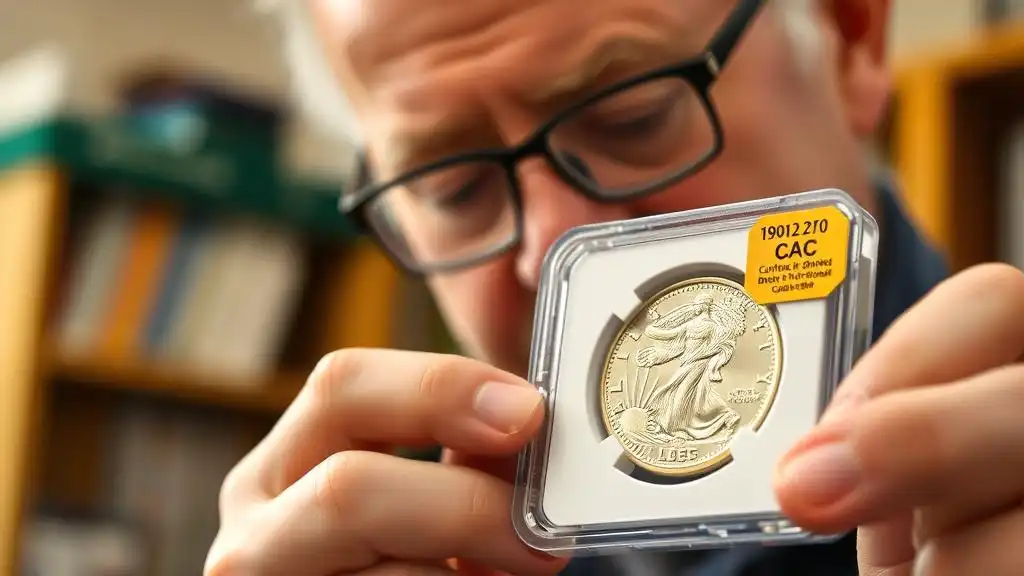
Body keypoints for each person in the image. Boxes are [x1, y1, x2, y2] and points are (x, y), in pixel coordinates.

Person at [206, 0, 1024, 574]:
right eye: (451, 187)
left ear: (850, 37)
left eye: (634, 114)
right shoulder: (394, 550)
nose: (558, 244)